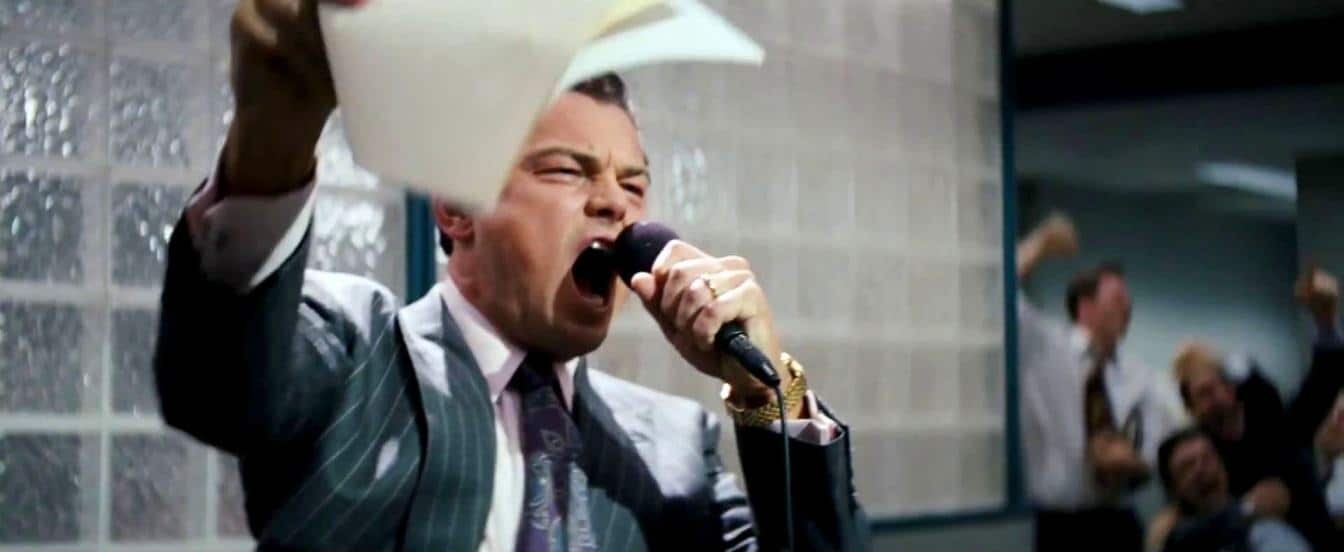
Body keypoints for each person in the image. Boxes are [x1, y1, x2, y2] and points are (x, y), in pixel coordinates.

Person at [152, 0, 868, 550]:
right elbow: (217, 390)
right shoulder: (351, 354)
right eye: (565, 170)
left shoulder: (676, 450)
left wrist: (768, 391)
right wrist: (272, 141)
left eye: (634, 184)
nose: (614, 203)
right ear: (458, 208)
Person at [1015, 213, 1179, 552]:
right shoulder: (1045, 347)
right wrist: (1040, 244)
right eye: (1118, 299)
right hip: (1061, 526)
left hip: (1118, 522)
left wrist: (1133, 464)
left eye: (1129, 301)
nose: (1128, 307)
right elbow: (998, 291)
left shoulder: (1139, 375)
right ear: (1085, 307)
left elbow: (1158, 444)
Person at [1169, 268, 1344, 550]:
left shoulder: (1281, 428)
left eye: (1216, 387)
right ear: (1191, 408)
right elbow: (1182, 534)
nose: (1214, 398)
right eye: (1203, 394)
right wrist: (1248, 509)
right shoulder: (1203, 460)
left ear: (1231, 389)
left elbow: (1323, 383)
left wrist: (1325, 321)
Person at [1147, 429, 1309, 552]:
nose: (1200, 469)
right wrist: (1246, 510)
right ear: (1174, 488)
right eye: (1187, 466)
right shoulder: (1173, 532)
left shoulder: (1261, 512)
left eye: (1207, 457)